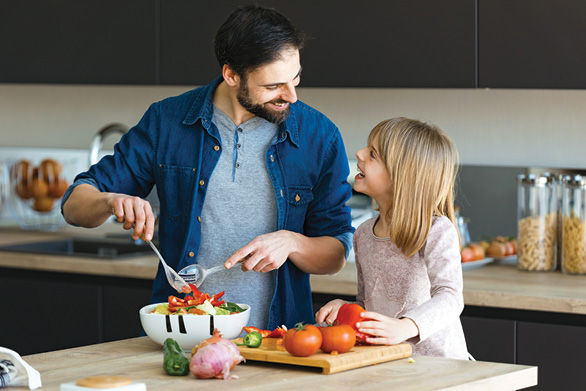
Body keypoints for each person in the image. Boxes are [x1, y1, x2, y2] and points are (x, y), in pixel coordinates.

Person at [61, 5, 354, 330]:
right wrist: (109, 200)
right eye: (273, 86)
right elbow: (74, 205)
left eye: (296, 78)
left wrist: (293, 242)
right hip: (181, 334)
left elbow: (335, 255)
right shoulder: (167, 121)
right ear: (231, 75)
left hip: (279, 341)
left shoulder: (319, 136)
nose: (292, 95)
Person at [315, 117, 469, 359]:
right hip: (393, 366)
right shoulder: (364, 234)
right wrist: (347, 310)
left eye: (373, 154)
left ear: (402, 176)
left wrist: (405, 327)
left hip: (441, 367)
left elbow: (450, 298)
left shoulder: (437, 230)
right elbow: (370, 305)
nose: (359, 153)